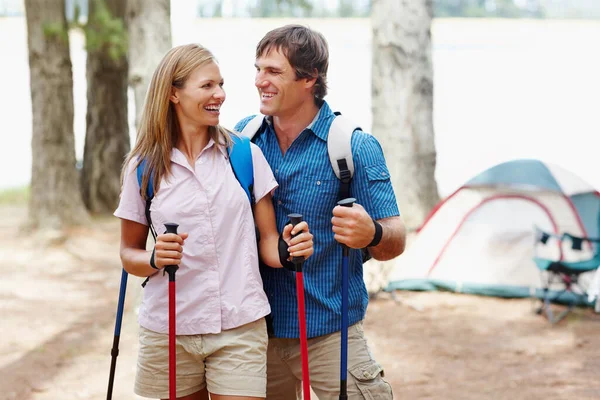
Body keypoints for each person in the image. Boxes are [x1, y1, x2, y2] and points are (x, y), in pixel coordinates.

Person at [114, 43, 314, 400]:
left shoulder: (243, 155)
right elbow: (129, 254)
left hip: (239, 324)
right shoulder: (143, 167)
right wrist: (155, 257)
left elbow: (268, 244)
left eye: (220, 85)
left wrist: (289, 250)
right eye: (207, 86)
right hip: (170, 327)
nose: (219, 95)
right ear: (173, 93)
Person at [234, 25, 407, 399]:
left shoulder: (354, 147)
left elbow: (395, 239)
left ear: (309, 78)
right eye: (258, 69)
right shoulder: (242, 140)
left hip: (329, 333)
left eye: (273, 72)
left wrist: (372, 233)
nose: (259, 81)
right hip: (254, 333)